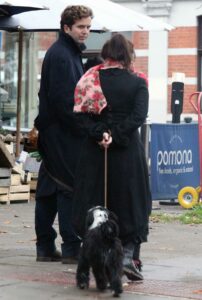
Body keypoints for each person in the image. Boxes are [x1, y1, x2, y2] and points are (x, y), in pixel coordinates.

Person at [72, 33, 152, 280]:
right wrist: (115, 136)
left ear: (105, 54)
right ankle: (127, 256)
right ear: (128, 56)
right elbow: (138, 117)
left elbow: (80, 115)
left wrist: (101, 134)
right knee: (130, 203)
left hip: (95, 152)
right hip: (127, 152)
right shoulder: (138, 82)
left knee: (95, 201)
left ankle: (96, 255)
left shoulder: (89, 80)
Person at [34, 5, 93, 264]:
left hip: (54, 130)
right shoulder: (62, 55)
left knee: (48, 188)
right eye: (81, 27)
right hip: (62, 133)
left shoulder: (65, 52)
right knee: (68, 187)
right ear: (66, 27)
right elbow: (63, 100)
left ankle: (45, 246)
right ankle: (71, 247)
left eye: (88, 27)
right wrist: (83, 128)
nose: (86, 32)